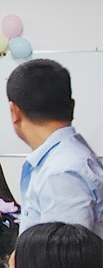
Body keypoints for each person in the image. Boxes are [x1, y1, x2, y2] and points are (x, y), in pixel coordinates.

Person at [6, 59, 103, 237]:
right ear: (71, 106)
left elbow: (63, 253)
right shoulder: (66, 158)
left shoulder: (60, 172)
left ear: (15, 112)